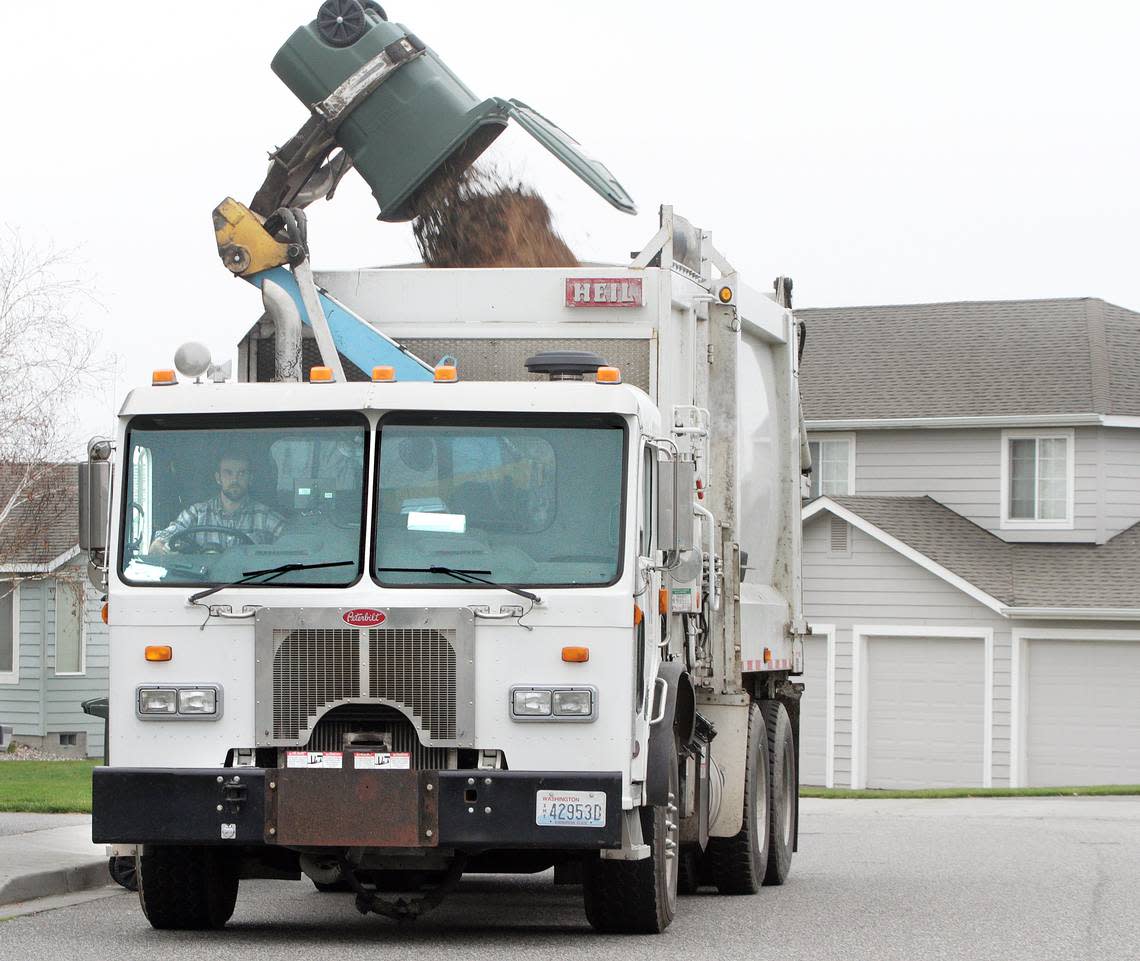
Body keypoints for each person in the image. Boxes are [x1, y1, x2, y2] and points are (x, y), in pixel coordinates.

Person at [150, 449, 285, 553]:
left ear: (250, 479)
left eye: (241, 473)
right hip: (202, 586)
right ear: (218, 478)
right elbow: (167, 536)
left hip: (250, 587)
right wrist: (159, 544)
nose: (234, 480)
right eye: (228, 473)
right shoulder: (197, 513)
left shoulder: (265, 516)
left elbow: (293, 540)